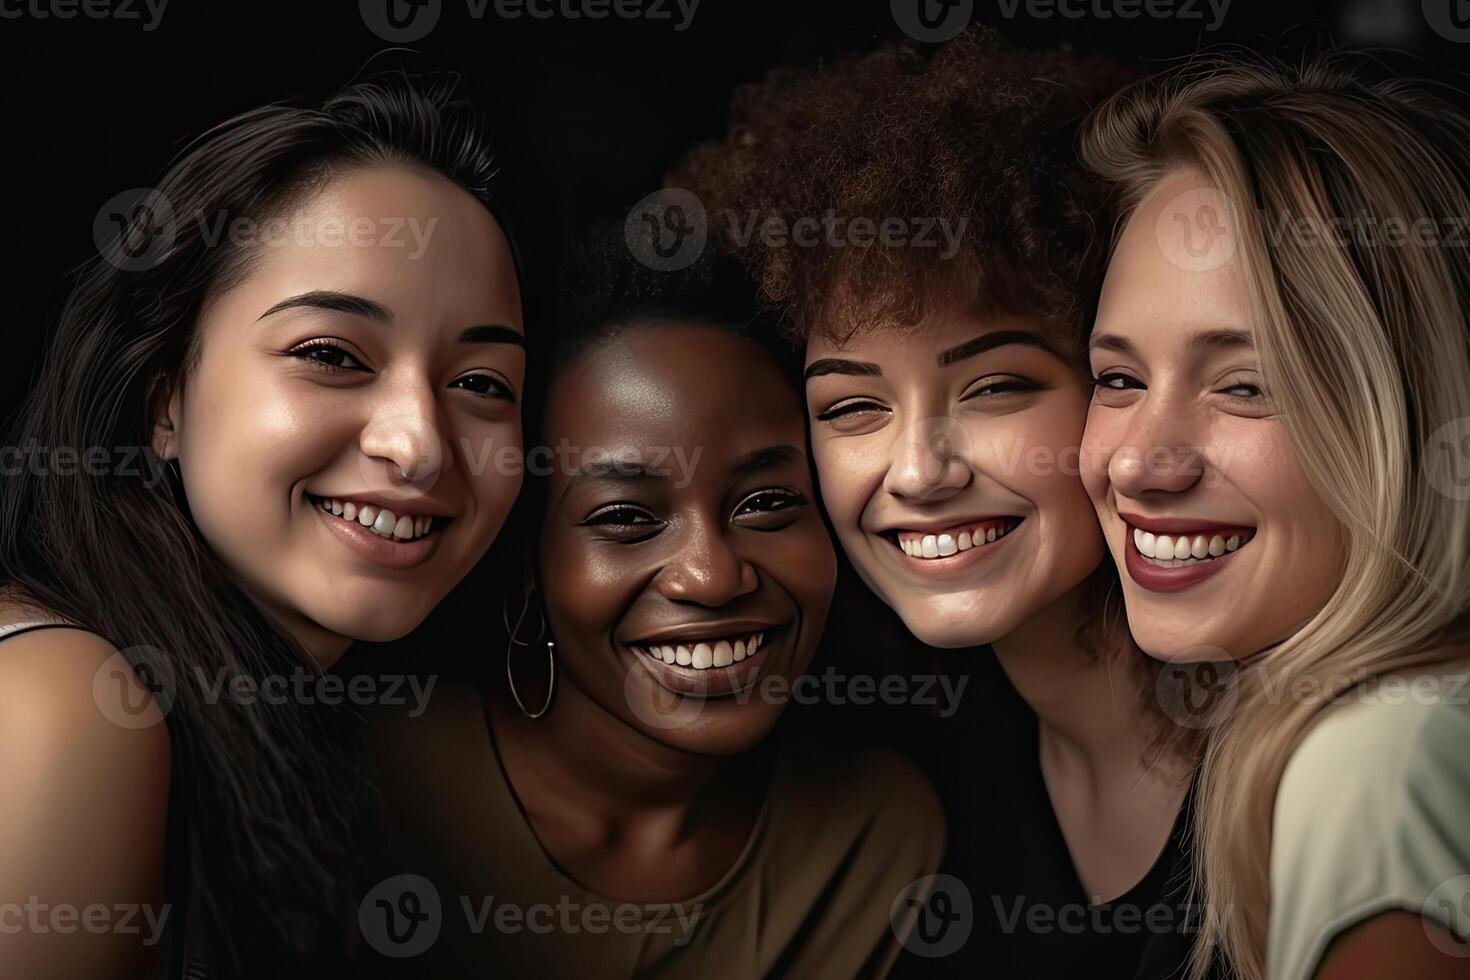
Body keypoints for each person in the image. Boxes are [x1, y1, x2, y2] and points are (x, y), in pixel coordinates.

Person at [674, 28, 1207, 979]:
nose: (918, 472)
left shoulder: (1308, 762)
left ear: (1116, 385)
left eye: (995, 388)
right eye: (853, 406)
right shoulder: (915, 779)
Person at [0, 72, 527, 979]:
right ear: (163, 396)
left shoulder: (311, 749)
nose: (420, 445)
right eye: (330, 355)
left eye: (481, 383)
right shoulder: (74, 705)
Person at [362, 220, 944, 978]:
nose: (710, 576)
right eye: (625, 518)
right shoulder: (369, 781)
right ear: (531, 559)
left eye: (767, 503)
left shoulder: (873, 836)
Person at [1079, 51, 1470, 980]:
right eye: (1119, 379)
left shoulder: (1381, 764)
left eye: (1249, 386)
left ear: (1412, 414)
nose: (1138, 460)